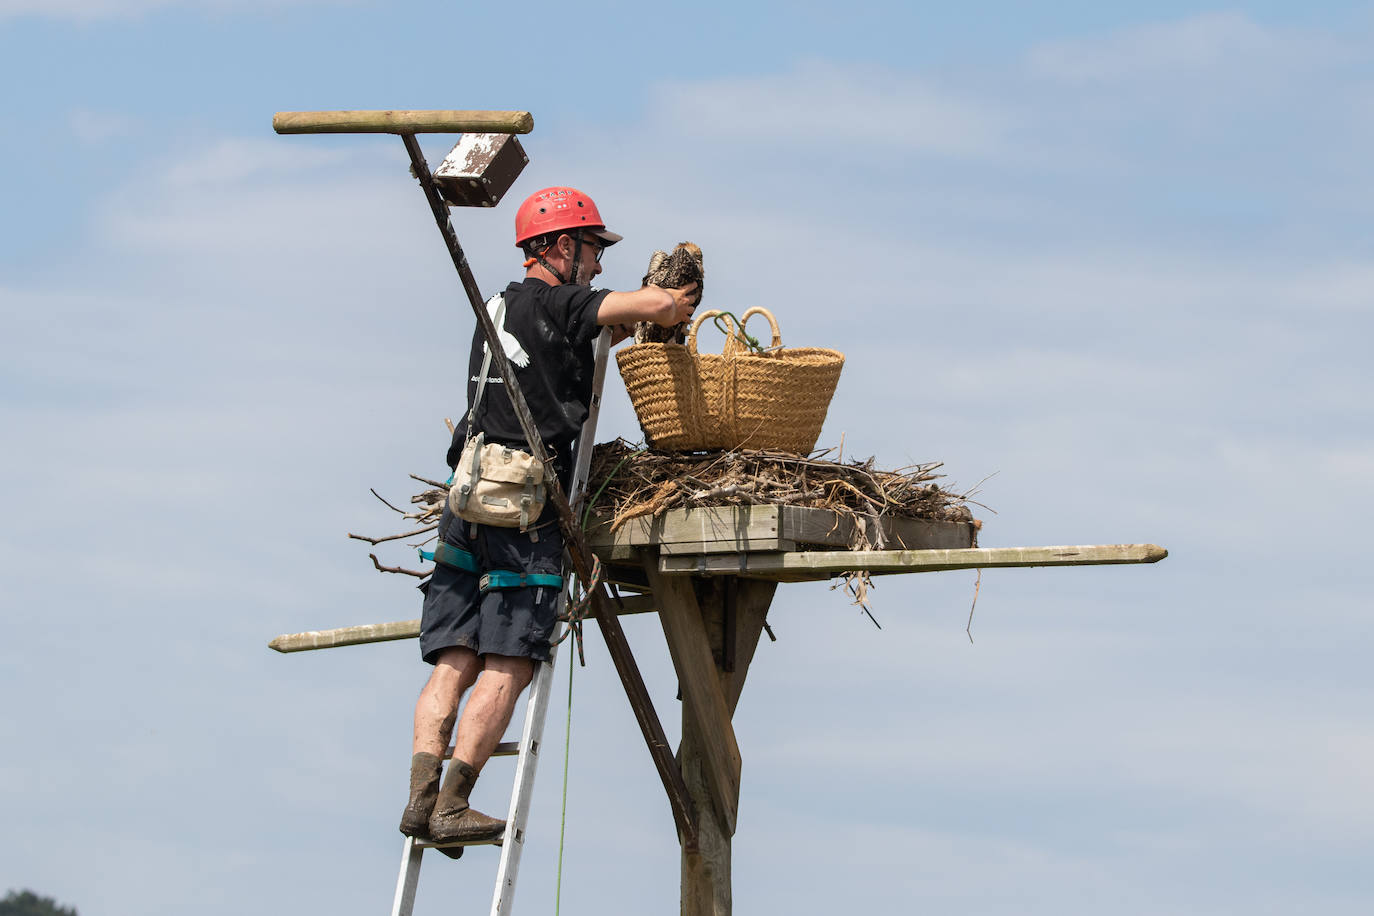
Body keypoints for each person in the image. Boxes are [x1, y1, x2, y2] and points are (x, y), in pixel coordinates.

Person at [399, 186, 699, 851]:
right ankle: (453, 803)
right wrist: (672, 301)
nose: (595, 264)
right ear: (562, 246)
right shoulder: (559, 299)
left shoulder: (499, 306)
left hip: (467, 498)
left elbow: (574, 333)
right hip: (523, 513)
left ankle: (419, 798)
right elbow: (646, 303)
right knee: (510, 659)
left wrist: (608, 320)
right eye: (592, 250)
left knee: (453, 657)